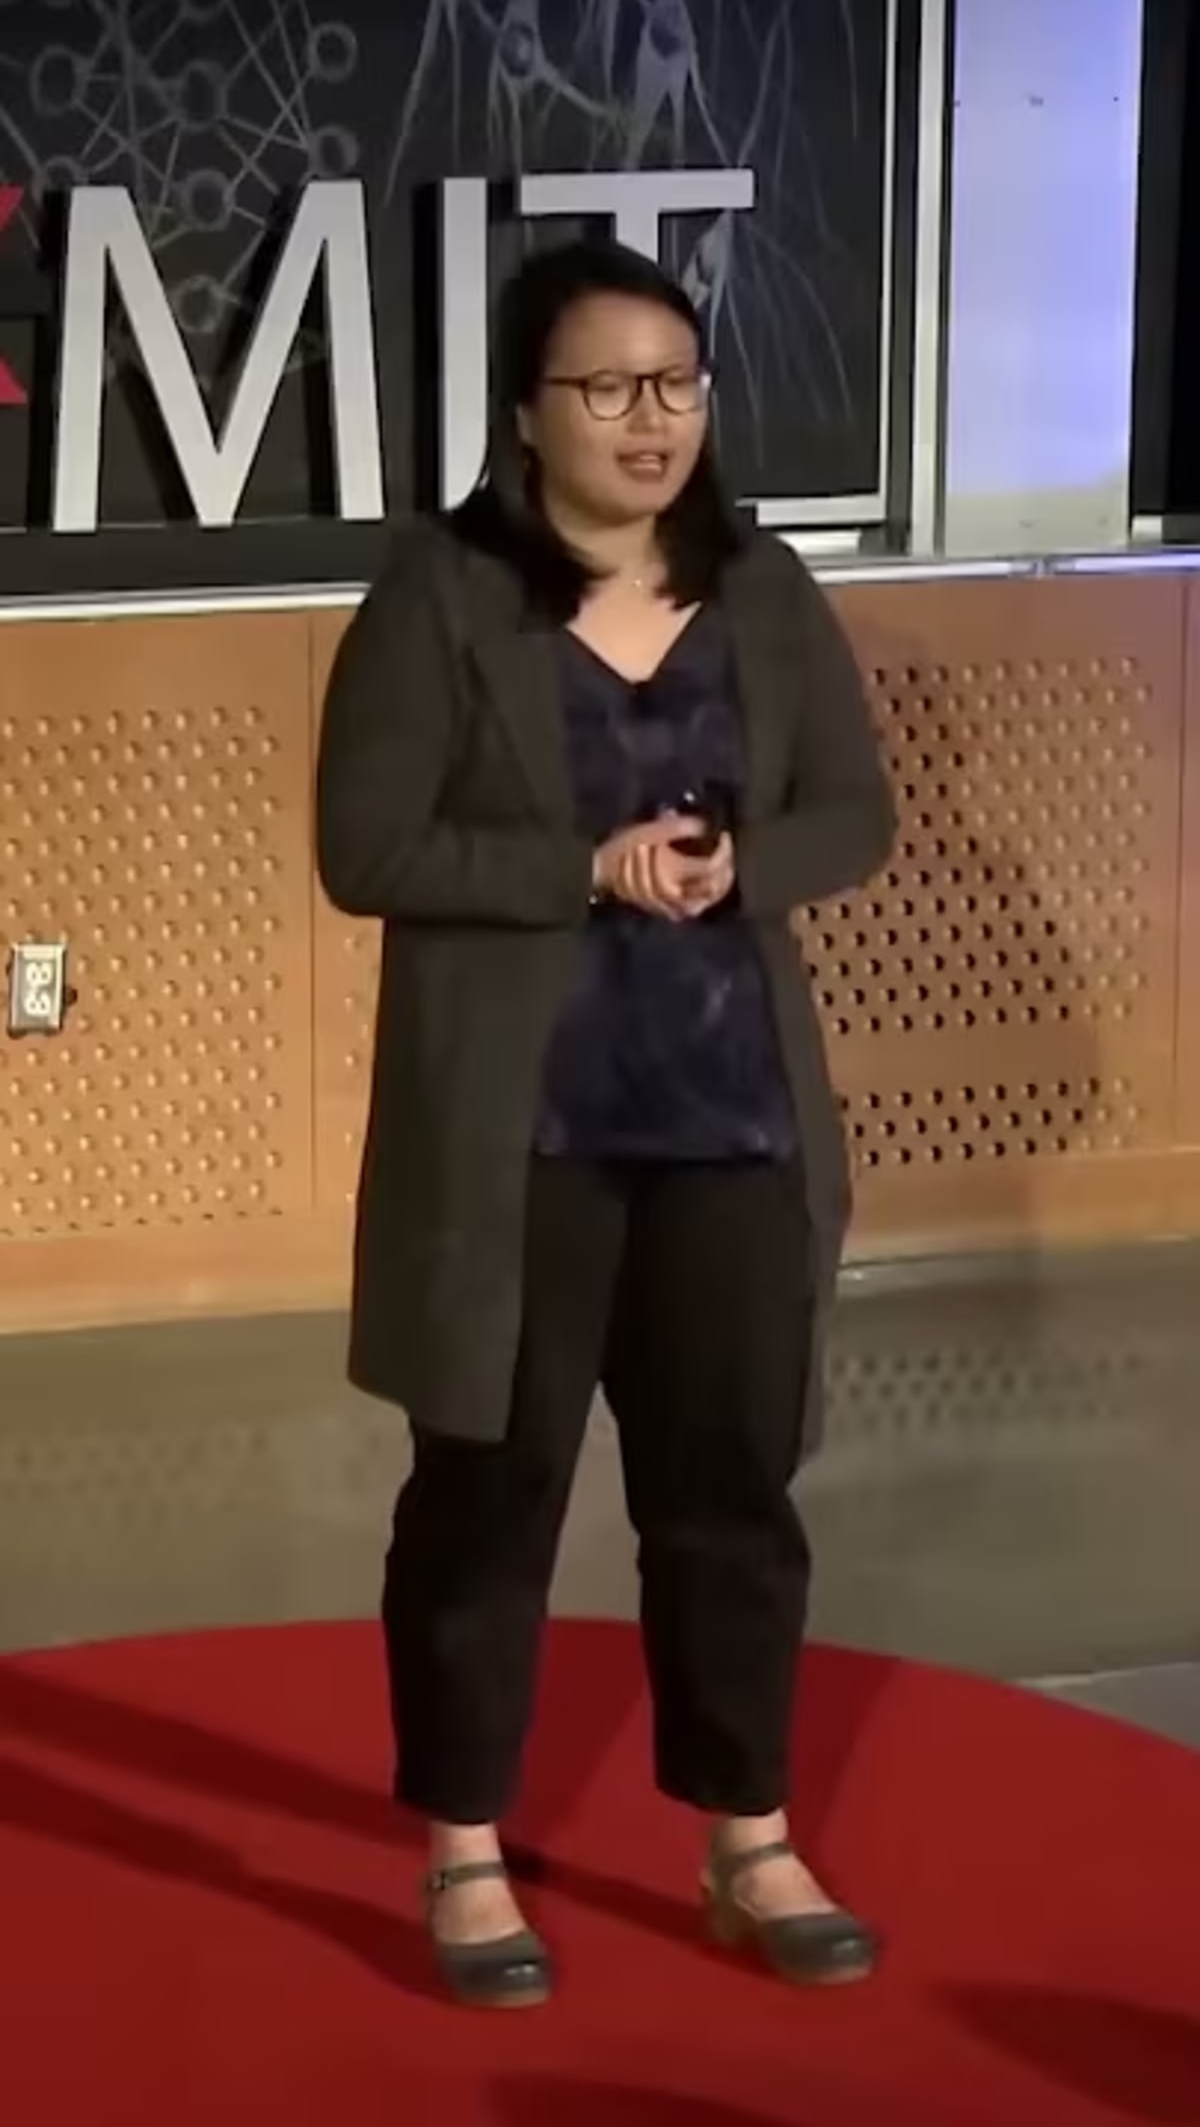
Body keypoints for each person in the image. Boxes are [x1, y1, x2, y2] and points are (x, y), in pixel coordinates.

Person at [317, 237, 896, 2009]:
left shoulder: (762, 588)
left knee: (731, 1493)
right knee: (489, 1496)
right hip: (523, 1142)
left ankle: (748, 1834)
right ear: (524, 412)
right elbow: (367, 847)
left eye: (677, 384)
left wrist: (739, 863)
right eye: (608, 387)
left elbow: (855, 813)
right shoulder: (440, 595)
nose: (652, 420)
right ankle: (466, 1848)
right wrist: (582, 866)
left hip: (734, 1125)